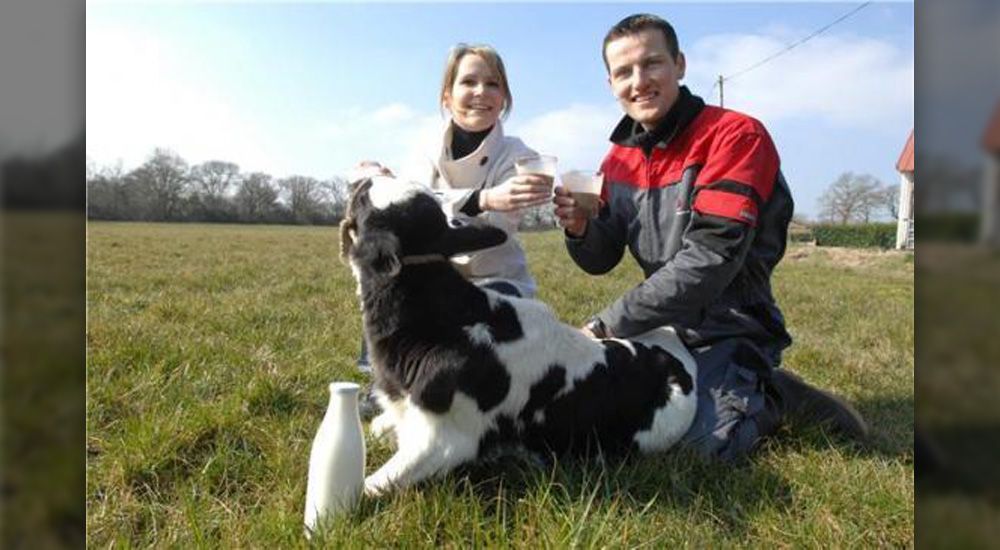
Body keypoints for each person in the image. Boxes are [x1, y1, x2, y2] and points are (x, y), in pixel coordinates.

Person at [552, 13, 869, 462]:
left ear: (680, 65)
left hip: (730, 324)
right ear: (610, 83)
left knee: (698, 452)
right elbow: (600, 259)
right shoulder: (617, 159)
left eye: (652, 63)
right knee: (603, 427)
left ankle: (772, 393)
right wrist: (581, 229)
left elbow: (710, 260)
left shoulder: (736, 137)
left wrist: (603, 326)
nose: (639, 81)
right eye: (624, 72)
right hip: (660, 325)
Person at [353, 44, 552, 413]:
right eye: (469, 82)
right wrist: (482, 198)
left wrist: (459, 204)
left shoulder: (520, 156)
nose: (481, 92)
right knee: (388, 286)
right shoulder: (425, 149)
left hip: (496, 278)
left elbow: (497, 231)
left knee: (483, 336)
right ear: (448, 95)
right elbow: (408, 211)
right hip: (431, 276)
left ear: (505, 96)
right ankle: (383, 382)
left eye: (493, 84)